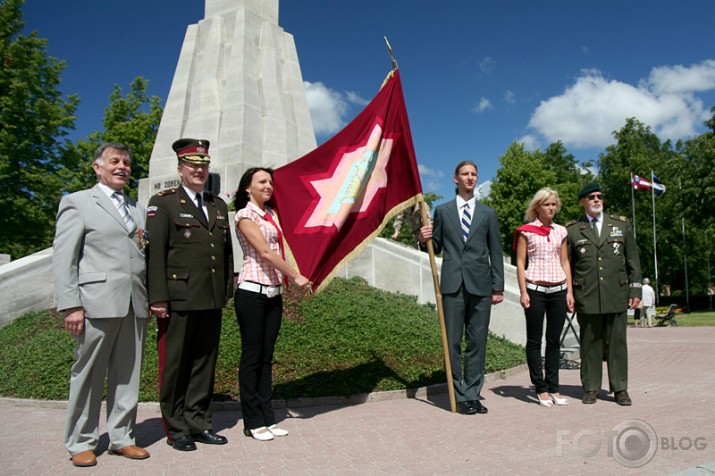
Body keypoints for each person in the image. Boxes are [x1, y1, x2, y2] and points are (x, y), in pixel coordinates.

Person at [53, 143, 150, 467]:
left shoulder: (136, 208)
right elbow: (64, 258)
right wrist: (71, 305)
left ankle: (122, 437)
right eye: (114, 161)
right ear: (97, 167)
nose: (122, 166)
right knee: (89, 374)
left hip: (134, 303)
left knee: (128, 374)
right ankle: (81, 440)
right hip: (96, 303)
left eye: (126, 162)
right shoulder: (78, 202)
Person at [146, 138, 233, 451]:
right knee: (175, 365)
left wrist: (226, 292)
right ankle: (177, 428)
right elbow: (155, 254)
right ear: (180, 169)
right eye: (193, 165)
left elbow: (225, 254)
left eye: (204, 165)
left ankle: (199, 423)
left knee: (203, 364)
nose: (199, 170)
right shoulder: (164, 203)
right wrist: (157, 297)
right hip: (178, 298)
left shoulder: (217, 205)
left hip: (210, 298)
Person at [419, 160, 504, 415]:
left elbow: (496, 253)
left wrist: (497, 287)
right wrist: (424, 240)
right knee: (452, 341)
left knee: (477, 342)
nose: (470, 177)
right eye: (465, 174)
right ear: (455, 179)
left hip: (481, 285)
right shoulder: (442, 211)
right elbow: (436, 246)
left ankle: (472, 394)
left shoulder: (488, 213)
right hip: (453, 285)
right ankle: (458, 394)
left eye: (474, 174)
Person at [233, 167, 312, 441]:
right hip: (251, 292)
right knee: (252, 357)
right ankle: (252, 421)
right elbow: (264, 252)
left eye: (270, 182)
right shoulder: (244, 215)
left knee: (267, 358)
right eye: (262, 181)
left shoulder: (272, 215)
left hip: (273, 294)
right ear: (247, 187)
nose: (268, 186)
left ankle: (267, 417)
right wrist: (296, 275)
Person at [566, 183, 642, 406]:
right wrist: (568, 293)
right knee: (590, 343)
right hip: (587, 294)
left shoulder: (620, 225)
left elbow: (633, 260)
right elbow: (568, 265)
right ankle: (590, 387)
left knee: (617, 343)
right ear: (583, 202)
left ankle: (620, 388)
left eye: (599, 196)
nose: (596, 200)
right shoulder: (573, 230)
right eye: (591, 197)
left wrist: (635, 289)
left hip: (616, 293)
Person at [514, 188, 574, 407]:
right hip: (535, 290)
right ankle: (540, 388)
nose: (551, 208)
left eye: (554, 204)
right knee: (534, 340)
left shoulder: (561, 232)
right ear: (537, 207)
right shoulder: (526, 231)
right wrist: (523, 291)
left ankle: (554, 387)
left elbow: (565, 261)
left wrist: (569, 291)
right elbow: (520, 263)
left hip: (558, 289)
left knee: (553, 341)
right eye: (547, 204)